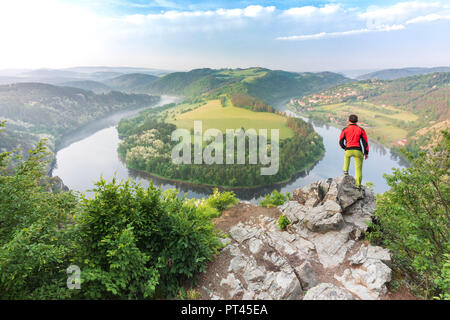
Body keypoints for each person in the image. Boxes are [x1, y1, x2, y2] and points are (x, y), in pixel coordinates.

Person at [339, 114, 369, 189]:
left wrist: (345, 148)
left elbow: (340, 142)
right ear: (357, 121)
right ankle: (358, 185)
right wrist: (366, 153)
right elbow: (365, 142)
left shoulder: (344, 130)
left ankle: (345, 172)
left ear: (348, 120)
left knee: (346, 158)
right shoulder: (361, 130)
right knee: (358, 168)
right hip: (358, 151)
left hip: (348, 150)